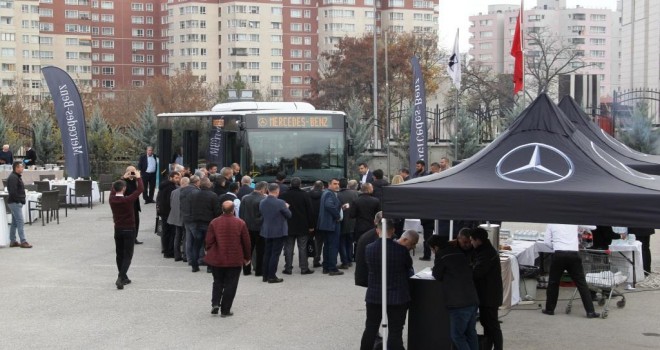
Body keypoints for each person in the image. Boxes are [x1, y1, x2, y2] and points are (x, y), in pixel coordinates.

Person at [360, 219, 411, 350]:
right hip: (397, 296)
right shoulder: (401, 250)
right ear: (393, 231)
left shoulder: (369, 249)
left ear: (377, 231)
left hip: (375, 295)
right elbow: (408, 267)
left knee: (371, 328)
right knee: (395, 331)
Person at [428, 235, 479, 350]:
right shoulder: (459, 252)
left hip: (458, 302)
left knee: (457, 336)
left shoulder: (441, 255)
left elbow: (437, 275)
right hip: (472, 298)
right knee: (471, 333)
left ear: (435, 247)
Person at [204, 201, 252, 317]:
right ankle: (225, 310)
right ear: (233, 210)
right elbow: (246, 242)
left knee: (217, 281)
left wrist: (209, 250)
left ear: (222, 209)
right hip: (234, 259)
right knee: (231, 284)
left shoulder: (214, 222)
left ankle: (215, 303)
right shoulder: (240, 223)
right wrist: (247, 257)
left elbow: (208, 241)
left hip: (217, 258)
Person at [542, 224, 600, 319]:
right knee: (581, 283)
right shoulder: (573, 221)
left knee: (553, 283)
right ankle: (590, 311)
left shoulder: (551, 223)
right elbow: (594, 227)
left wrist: (555, 246)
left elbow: (547, 242)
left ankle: (550, 309)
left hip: (559, 253)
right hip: (573, 254)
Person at [468, 227, 503, 350]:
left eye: (472, 240)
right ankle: (488, 346)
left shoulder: (486, 253)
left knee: (492, 325)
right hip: (488, 294)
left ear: (478, 240)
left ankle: (498, 347)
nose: (471, 243)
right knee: (487, 324)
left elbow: (477, 273)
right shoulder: (484, 250)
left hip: (489, 296)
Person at [109, 170, 144, 289]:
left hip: (118, 229)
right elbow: (140, 190)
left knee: (119, 253)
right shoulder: (128, 200)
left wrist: (123, 178)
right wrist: (138, 177)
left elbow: (113, 189)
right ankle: (121, 276)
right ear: (124, 189)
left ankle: (123, 277)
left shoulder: (112, 199)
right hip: (129, 228)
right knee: (128, 254)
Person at [279, 177, 315, 275]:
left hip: (288, 225)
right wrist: (311, 225)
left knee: (288, 247)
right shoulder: (305, 195)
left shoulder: (283, 195)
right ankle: (304, 268)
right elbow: (310, 211)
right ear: (300, 184)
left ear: (290, 184)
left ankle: (288, 268)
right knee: (302, 247)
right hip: (302, 225)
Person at [259, 183, 291, 283]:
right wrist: (287, 207)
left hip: (266, 230)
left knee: (267, 253)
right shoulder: (281, 202)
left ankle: (265, 275)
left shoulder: (262, 202)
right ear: (277, 191)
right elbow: (289, 215)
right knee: (275, 254)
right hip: (278, 231)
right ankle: (272, 276)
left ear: (268, 190)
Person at [190, 178, 220, 272]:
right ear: (209, 185)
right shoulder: (213, 195)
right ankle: (210, 267)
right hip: (209, 223)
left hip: (197, 222)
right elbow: (217, 211)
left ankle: (194, 266)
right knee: (210, 245)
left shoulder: (194, 194)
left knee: (196, 245)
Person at [239, 181, 268, 276]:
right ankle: (259, 271)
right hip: (259, 228)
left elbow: (241, 214)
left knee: (247, 249)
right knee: (260, 250)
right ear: (263, 189)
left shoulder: (245, 198)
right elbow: (264, 215)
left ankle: (246, 270)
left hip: (246, 227)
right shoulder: (263, 199)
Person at [317, 178, 343, 276]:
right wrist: (337, 215)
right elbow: (329, 206)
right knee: (333, 246)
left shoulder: (327, 193)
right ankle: (332, 268)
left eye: (338, 184)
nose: (337, 185)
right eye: (335, 184)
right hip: (332, 224)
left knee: (327, 245)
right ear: (329, 184)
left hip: (327, 224)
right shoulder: (329, 193)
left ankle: (326, 267)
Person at [6, 161, 31, 248]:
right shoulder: (13, 177)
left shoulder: (16, 176)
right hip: (15, 203)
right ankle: (23, 241)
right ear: (17, 168)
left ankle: (12, 241)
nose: (23, 168)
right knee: (20, 221)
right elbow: (12, 192)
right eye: (21, 167)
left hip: (14, 202)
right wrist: (18, 201)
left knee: (14, 223)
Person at [156, 171, 181, 259]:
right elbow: (170, 201)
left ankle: (165, 249)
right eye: (176, 178)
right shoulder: (171, 187)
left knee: (166, 232)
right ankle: (169, 251)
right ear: (170, 178)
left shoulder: (163, 186)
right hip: (169, 212)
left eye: (179, 177)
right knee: (171, 232)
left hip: (163, 212)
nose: (178, 179)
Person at [355, 211, 383, 288]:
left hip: (364, 276)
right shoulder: (388, 237)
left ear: (375, 222)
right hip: (376, 278)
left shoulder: (365, 237)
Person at [337, 178, 359, 269]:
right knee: (349, 242)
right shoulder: (354, 193)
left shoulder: (337, 195)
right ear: (347, 185)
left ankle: (345, 262)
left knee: (341, 242)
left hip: (342, 222)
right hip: (352, 222)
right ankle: (349, 260)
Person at [180, 175, 200, 266]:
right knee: (197, 239)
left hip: (185, 217)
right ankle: (196, 259)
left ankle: (189, 259)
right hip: (193, 218)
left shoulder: (183, 191)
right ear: (197, 182)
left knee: (189, 239)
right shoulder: (195, 192)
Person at [168, 176, 188, 262]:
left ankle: (177, 255)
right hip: (184, 217)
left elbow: (171, 203)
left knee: (177, 236)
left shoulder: (174, 192)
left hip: (175, 217)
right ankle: (185, 255)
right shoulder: (187, 192)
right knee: (185, 237)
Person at [122, 166, 143, 244]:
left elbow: (140, 187)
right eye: (131, 171)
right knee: (128, 223)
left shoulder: (135, 180)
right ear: (127, 172)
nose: (133, 173)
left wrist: (138, 177)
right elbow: (118, 188)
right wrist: (124, 177)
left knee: (136, 221)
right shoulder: (124, 180)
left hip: (135, 204)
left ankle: (134, 237)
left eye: (134, 171)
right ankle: (127, 238)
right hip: (127, 204)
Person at [309, 180, 325, 268]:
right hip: (320, 222)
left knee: (308, 241)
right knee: (319, 242)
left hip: (310, 222)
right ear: (322, 187)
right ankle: (316, 259)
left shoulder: (307, 194)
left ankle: (304, 261)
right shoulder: (324, 195)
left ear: (313, 186)